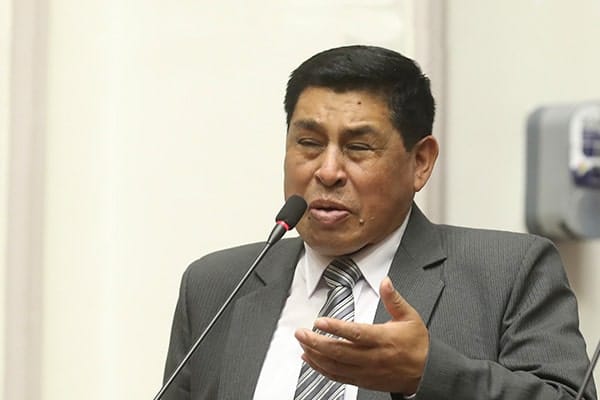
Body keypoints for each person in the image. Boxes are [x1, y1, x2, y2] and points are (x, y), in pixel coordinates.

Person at [162, 45, 596, 400]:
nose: (327, 171)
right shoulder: (217, 285)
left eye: (358, 148)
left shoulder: (507, 272)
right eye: (309, 143)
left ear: (420, 162)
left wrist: (428, 373)